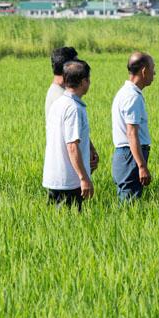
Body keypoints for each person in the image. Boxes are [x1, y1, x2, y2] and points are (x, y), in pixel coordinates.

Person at [43, 59, 96, 210]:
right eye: (88, 79)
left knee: (57, 226)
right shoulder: (73, 108)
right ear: (83, 82)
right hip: (68, 181)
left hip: (54, 177)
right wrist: (84, 178)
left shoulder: (58, 104)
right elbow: (72, 146)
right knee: (68, 225)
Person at [111, 52, 155, 202]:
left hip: (128, 154)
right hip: (130, 155)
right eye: (152, 69)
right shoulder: (132, 97)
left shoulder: (127, 93)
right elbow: (131, 134)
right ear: (144, 71)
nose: (154, 73)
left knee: (128, 200)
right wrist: (142, 166)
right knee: (129, 203)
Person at [46, 47, 98, 172]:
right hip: (68, 165)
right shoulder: (62, 98)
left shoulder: (61, 93)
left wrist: (89, 148)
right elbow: (72, 140)